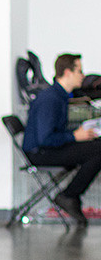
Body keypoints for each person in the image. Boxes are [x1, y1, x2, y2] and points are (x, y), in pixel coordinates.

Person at [22, 53, 101, 228]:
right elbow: (45, 138)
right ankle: (69, 196)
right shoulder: (50, 99)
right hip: (40, 153)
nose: (83, 75)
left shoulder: (62, 96)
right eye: (79, 71)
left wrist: (79, 134)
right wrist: (75, 136)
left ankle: (70, 196)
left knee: (96, 146)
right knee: (98, 150)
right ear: (67, 73)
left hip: (49, 148)